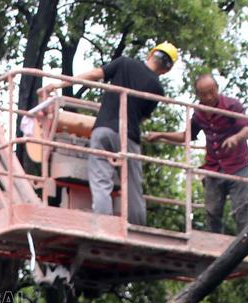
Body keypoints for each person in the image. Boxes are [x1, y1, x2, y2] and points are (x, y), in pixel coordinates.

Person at [45, 42, 177, 226]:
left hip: (103, 129)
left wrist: (59, 84)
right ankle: (137, 229)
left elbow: (93, 75)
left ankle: (104, 225)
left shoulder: (124, 63)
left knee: (100, 181)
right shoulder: (157, 88)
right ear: (166, 70)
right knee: (133, 186)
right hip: (129, 137)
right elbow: (141, 119)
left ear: (151, 54)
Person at [144, 73, 248, 234]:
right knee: (212, 210)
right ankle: (215, 242)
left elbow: (246, 130)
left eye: (212, 91)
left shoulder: (232, 105)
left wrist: (235, 139)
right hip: (214, 167)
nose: (209, 97)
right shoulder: (199, 113)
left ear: (217, 89)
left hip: (237, 164)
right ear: (198, 95)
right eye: (204, 94)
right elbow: (185, 136)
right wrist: (161, 135)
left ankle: (245, 242)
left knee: (241, 208)